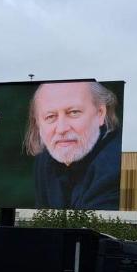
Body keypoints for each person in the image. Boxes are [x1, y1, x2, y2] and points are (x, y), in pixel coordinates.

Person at [24, 81, 121, 210]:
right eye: (50, 116)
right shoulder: (44, 161)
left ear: (100, 113)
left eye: (74, 112)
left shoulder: (113, 166)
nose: (61, 129)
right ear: (38, 124)